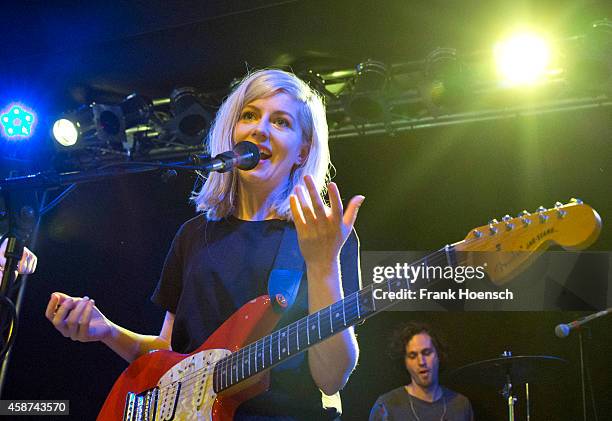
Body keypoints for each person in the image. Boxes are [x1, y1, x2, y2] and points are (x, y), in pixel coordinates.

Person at [45, 69, 365, 420]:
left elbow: (332, 377)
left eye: (281, 122)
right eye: (250, 115)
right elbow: (170, 359)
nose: (260, 128)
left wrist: (322, 264)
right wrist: (106, 330)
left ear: (303, 151)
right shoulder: (194, 235)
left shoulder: (324, 237)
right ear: (232, 133)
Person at [369, 322, 473, 421]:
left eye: (426, 353)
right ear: (404, 362)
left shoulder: (461, 404)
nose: (421, 362)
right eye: (413, 356)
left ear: (438, 355)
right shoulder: (387, 405)